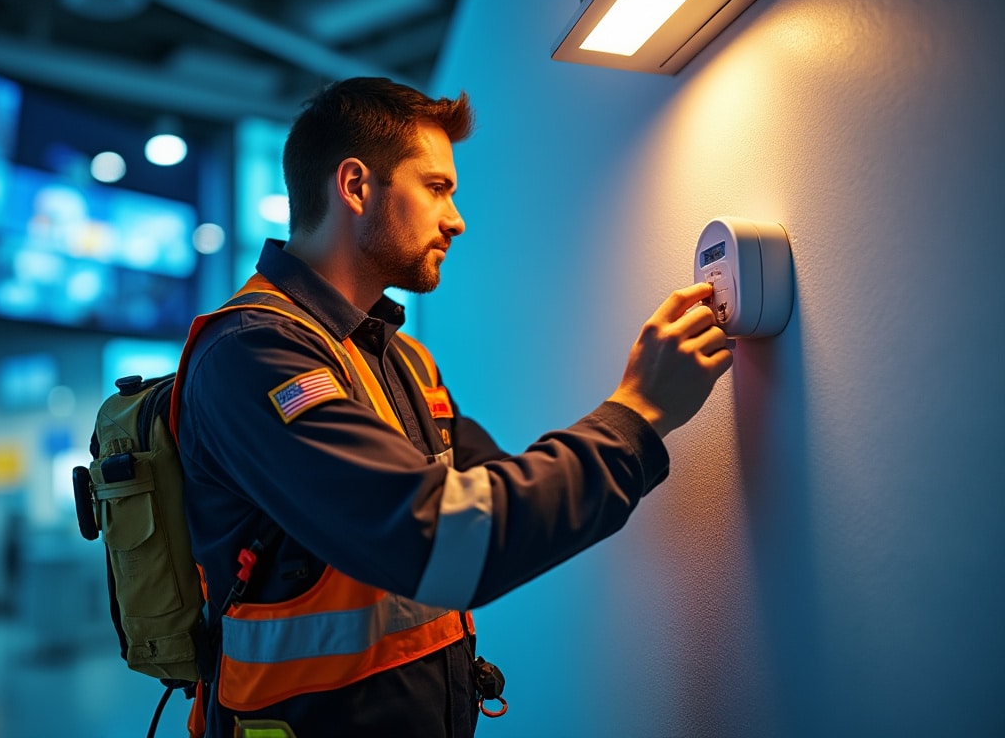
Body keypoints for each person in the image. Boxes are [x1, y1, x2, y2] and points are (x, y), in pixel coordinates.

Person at [174, 77, 732, 738]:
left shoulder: (403, 359)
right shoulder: (252, 353)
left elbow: (499, 505)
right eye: (437, 187)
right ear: (355, 186)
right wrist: (637, 413)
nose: (456, 219)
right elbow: (446, 542)